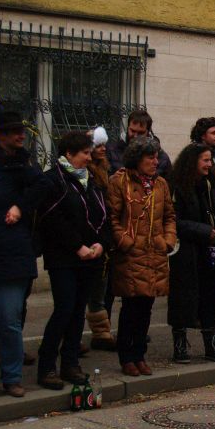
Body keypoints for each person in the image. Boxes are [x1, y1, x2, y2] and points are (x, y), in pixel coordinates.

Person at [37, 131, 111, 389]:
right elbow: (53, 220)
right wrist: (77, 247)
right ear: (69, 154)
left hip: (89, 257)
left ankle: (70, 363)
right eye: (85, 153)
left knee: (78, 311)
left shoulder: (91, 181)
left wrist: (101, 243)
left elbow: (103, 215)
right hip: (63, 259)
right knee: (64, 309)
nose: (89, 158)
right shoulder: (53, 180)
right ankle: (47, 366)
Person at [0, 111, 49, 397]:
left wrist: (20, 207)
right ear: (1, 135)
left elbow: (44, 186)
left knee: (8, 320)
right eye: (15, 131)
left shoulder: (24, 165)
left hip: (12, 255)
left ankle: (12, 378)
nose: (21, 135)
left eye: (21, 131)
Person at [107, 136, 176, 376]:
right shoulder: (120, 182)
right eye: (150, 157)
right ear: (137, 159)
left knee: (146, 307)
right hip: (131, 254)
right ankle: (126, 356)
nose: (155, 162)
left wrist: (168, 240)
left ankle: (139, 354)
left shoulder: (160, 184)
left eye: (156, 157)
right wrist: (126, 241)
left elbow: (169, 216)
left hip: (154, 253)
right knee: (131, 306)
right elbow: (113, 217)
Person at [168, 143, 215, 363]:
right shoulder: (178, 186)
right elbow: (175, 220)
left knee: (210, 295)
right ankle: (180, 346)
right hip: (187, 251)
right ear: (192, 161)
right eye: (204, 160)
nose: (208, 164)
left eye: (210, 160)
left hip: (211, 250)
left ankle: (211, 345)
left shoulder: (212, 183)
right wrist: (205, 231)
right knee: (183, 297)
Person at [83, 126, 117, 352]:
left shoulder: (105, 170)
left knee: (100, 286)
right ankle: (71, 335)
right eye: (99, 146)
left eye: (104, 145)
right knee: (83, 289)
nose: (103, 149)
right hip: (87, 235)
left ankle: (101, 332)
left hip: (103, 235)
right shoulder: (85, 173)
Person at [106, 109, 171, 176]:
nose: (135, 136)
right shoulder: (112, 151)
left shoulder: (162, 158)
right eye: (132, 131)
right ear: (128, 128)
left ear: (148, 133)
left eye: (140, 133)